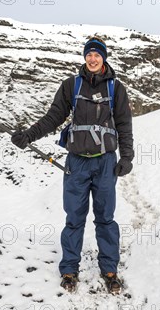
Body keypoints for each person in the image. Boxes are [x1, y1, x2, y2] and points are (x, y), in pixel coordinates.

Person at [11, 36, 134, 294]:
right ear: (84, 57)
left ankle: (109, 269)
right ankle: (69, 269)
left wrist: (127, 157)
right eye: (89, 54)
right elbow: (53, 117)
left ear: (104, 58)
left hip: (105, 163)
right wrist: (29, 136)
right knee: (74, 218)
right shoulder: (71, 85)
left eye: (97, 54)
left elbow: (124, 125)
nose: (92, 58)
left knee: (105, 218)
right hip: (76, 163)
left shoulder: (116, 88)